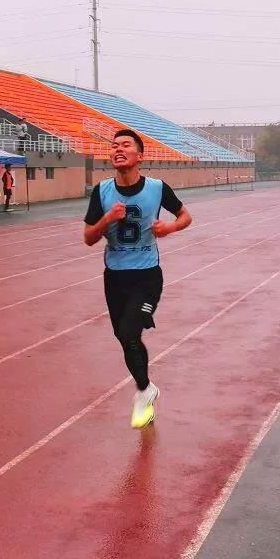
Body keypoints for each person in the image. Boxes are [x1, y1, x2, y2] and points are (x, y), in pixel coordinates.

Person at [83, 129, 192, 428]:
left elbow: (185, 216)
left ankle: (142, 395)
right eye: (114, 146)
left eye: (126, 145)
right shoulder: (102, 191)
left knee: (130, 331)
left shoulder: (157, 188)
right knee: (124, 337)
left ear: (139, 155)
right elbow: (88, 238)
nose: (118, 149)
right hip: (114, 277)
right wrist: (107, 219)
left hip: (146, 276)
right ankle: (146, 388)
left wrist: (169, 228)